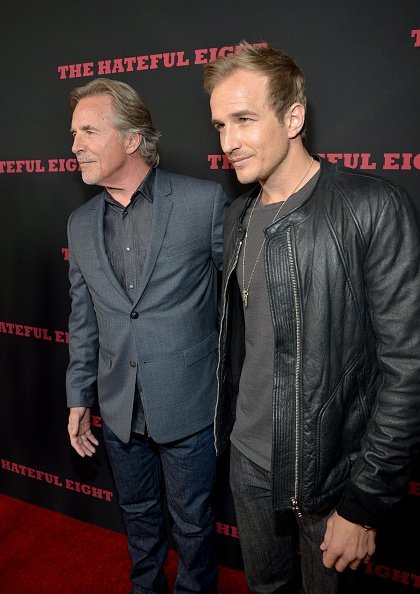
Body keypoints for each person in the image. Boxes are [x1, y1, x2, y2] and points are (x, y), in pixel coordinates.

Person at [204, 42, 420, 593]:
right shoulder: (237, 216)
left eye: (244, 120)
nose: (228, 142)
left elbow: (407, 367)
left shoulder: (372, 207)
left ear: (293, 117)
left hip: (333, 480)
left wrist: (365, 503)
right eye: (220, 124)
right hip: (248, 463)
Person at [66, 77, 227, 594]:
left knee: (195, 525)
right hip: (117, 409)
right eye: (73, 134)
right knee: (137, 517)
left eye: (89, 131)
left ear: (131, 139)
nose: (74, 146)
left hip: (189, 404)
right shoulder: (79, 223)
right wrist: (78, 396)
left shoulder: (204, 203)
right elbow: (84, 319)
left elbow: (245, 303)